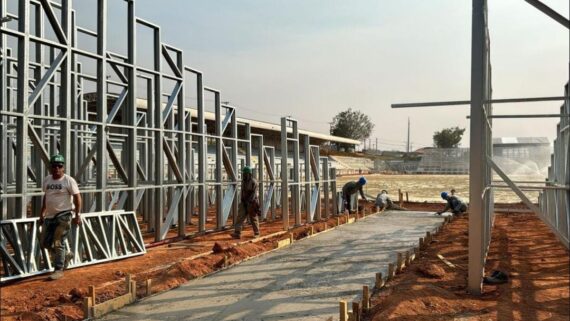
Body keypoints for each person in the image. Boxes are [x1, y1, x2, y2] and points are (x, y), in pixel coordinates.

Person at [39, 154, 82, 280]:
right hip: (49, 216)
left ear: (63, 167)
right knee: (45, 242)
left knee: (58, 241)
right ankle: (65, 257)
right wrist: (42, 212)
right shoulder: (47, 180)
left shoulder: (68, 180)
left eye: (59, 166)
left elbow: (77, 198)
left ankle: (58, 269)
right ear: (50, 167)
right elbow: (46, 196)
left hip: (64, 215)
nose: (57, 168)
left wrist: (77, 215)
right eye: (54, 166)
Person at [231, 166, 261, 239]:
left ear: (249, 174)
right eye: (243, 174)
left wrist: (249, 202)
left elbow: (253, 194)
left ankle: (257, 233)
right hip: (244, 202)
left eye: (245, 174)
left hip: (252, 202)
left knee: (253, 218)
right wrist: (243, 201)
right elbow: (243, 191)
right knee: (240, 217)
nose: (243, 175)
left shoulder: (254, 182)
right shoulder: (243, 181)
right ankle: (237, 233)